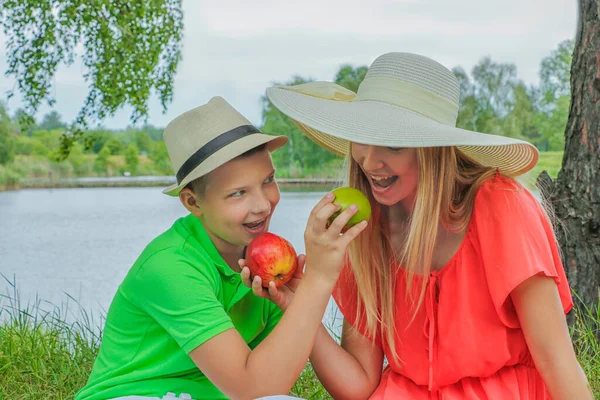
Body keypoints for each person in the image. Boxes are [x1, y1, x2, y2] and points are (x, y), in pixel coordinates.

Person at [248, 52, 593, 399]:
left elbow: (557, 363)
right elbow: (357, 385)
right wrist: (299, 304)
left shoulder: (502, 206)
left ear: (434, 149)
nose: (369, 161)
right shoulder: (363, 228)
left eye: (393, 144)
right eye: (361, 139)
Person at [75, 97, 367, 400]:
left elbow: (274, 380)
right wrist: (318, 280)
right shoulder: (170, 267)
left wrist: (295, 304)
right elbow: (252, 388)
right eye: (238, 193)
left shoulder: (263, 263)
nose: (263, 205)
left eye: (268, 180)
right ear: (193, 202)